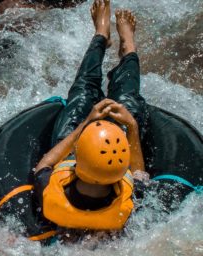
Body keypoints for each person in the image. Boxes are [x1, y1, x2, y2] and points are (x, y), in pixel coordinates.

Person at [32, 0, 151, 237]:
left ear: (79, 156)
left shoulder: (51, 193)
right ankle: (128, 47)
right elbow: (138, 173)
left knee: (83, 92)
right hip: (101, 154)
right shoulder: (126, 200)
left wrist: (86, 123)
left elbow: (44, 164)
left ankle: (101, 36)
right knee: (127, 100)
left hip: (82, 148)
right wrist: (132, 127)